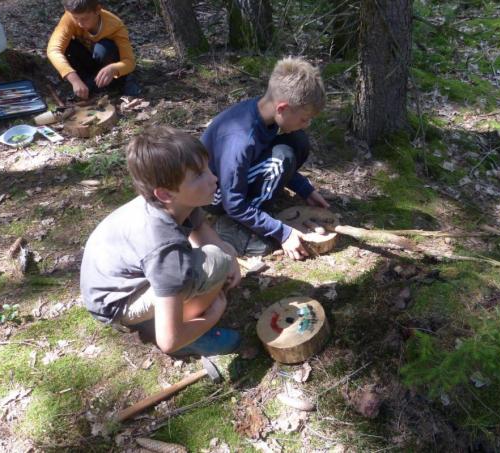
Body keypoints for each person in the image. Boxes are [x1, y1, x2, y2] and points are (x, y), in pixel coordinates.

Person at [80, 126, 242, 356]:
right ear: (165, 193)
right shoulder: (165, 249)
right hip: (118, 303)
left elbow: (201, 228)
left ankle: (178, 309)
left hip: (120, 277)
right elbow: (168, 341)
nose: (213, 178)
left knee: (223, 253)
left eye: (207, 168)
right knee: (216, 261)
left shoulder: (176, 203)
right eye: (199, 176)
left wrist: (232, 258)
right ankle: (192, 333)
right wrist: (211, 314)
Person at [201, 57, 329, 261]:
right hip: (214, 194)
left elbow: (264, 154)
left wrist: (305, 189)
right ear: (282, 108)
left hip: (234, 178)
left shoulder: (264, 113)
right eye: (304, 119)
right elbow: (232, 201)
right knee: (283, 158)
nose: (306, 124)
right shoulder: (240, 139)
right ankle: (236, 228)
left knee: (297, 141)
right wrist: (282, 232)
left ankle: (256, 209)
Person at [47, 0, 140, 100]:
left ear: (97, 10)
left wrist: (114, 68)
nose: (80, 23)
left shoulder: (115, 26)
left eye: (85, 19)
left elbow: (129, 62)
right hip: (88, 65)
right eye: (75, 18)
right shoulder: (69, 17)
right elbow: (53, 50)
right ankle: (87, 83)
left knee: (103, 48)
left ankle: (115, 83)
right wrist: (73, 79)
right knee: (69, 46)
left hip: (108, 66)